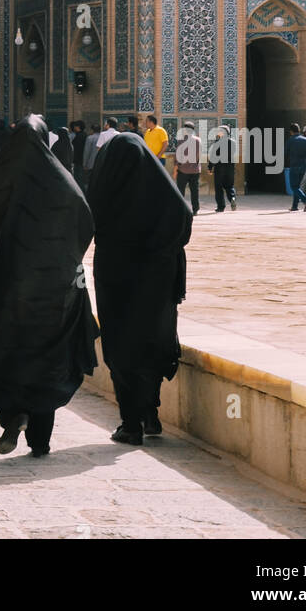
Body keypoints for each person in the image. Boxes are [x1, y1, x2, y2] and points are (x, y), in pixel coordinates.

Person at [0, 116, 98, 460]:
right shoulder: (62, 182)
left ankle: (12, 415)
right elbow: (84, 226)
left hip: (4, 291)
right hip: (52, 293)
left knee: (4, 354)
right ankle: (40, 441)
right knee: (47, 359)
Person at [87, 132, 192, 444]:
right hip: (157, 285)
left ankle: (131, 423)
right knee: (151, 341)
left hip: (117, 282)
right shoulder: (165, 196)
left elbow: (87, 220)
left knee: (122, 345)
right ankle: (150, 414)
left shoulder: (105, 194)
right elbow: (182, 219)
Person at [174, 121, 203, 215]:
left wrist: (175, 170)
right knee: (194, 190)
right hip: (195, 170)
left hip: (183, 170)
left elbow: (178, 157)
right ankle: (195, 209)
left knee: (180, 190)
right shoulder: (198, 140)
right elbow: (199, 155)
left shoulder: (181, 141)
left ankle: (181, 208)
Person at [284, 123, 306, 212]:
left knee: (294, 187)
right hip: (303, 166)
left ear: (291, 132)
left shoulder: (290, 140)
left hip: (294, 166)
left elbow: (285, 153)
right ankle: (294, 206)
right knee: (297, 186)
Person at [208, 125, 237, 212]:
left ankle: (221, 207)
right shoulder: (233, 142)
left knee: (219, 188)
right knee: (229, 186)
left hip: (219, 168)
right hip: (230, 168)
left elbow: (213, 156)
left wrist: (210, 167)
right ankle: (232, 198)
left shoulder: (217, 142)